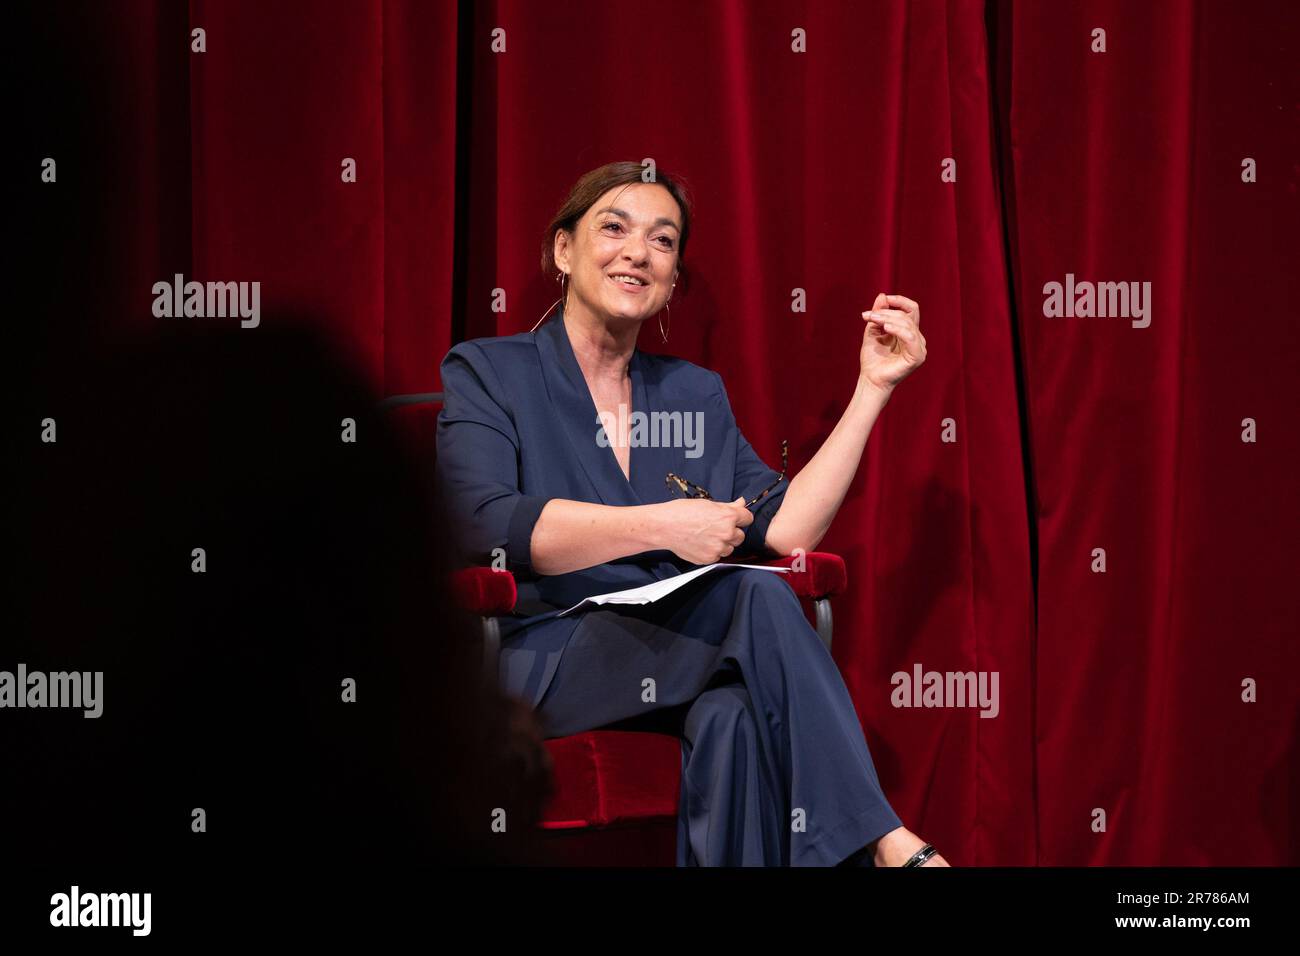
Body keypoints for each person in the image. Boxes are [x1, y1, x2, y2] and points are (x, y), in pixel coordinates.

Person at [435, 161, 948, 867]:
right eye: (613, 228)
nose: (638, 252)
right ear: (563, 250)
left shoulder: (691, 394)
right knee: (755, 594)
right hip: (539, 656)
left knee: (732, 718)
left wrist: (872, 390)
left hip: (674, 656)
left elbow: (787, 528)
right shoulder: (490, 371)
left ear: (673, 278)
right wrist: (661, 524)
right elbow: (483, 522)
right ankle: (885, 844)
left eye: (663, 240)